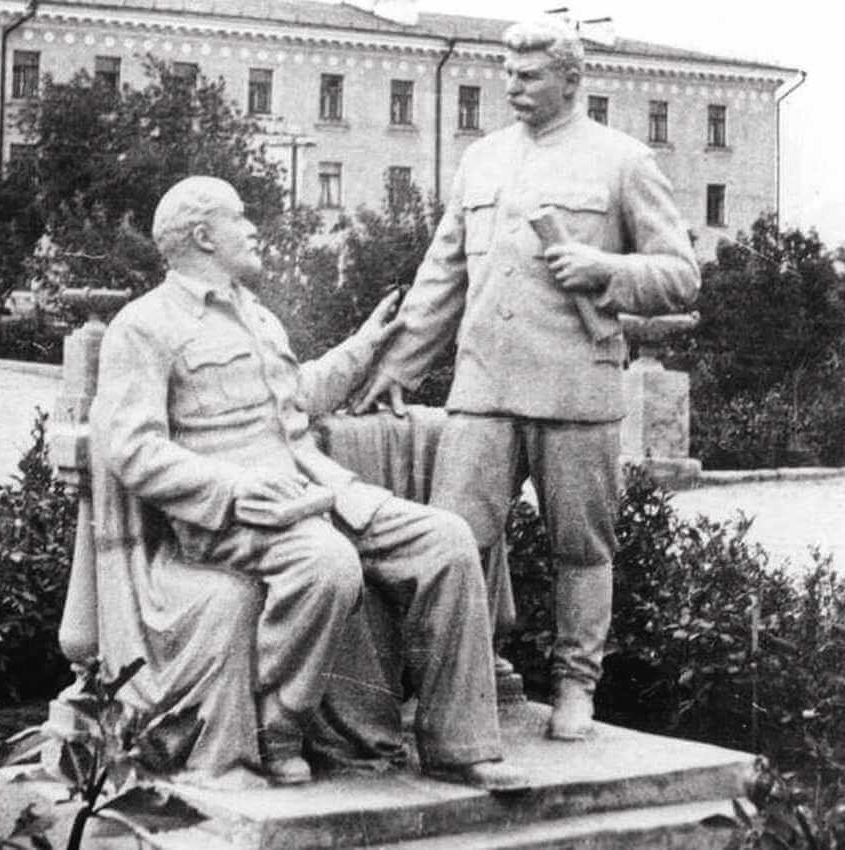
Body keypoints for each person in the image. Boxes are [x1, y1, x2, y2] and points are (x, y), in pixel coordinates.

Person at [91, 175, 523, 789]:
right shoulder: (144, 326)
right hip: (234, 516)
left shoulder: (257, 316)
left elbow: (297, 399)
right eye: (239, 219)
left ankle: (459, 744)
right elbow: (131, 450)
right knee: (328, 564)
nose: (252, 229)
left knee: (447, 541)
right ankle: (280, 724)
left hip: (321, 490)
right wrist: (235, 489)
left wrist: (364, 348)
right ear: (201, 236)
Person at [354, 18, 700, 741]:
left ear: (571, 80)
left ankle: (576, 687)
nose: (511, 85)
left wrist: (608, 270)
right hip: (481, 387)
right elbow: (441, 275)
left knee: (580, 548)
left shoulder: (621, 160)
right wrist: (397, 367)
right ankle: (456, 684)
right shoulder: (481, 160)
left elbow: (679, 275)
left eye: (528, 74)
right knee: (451, 538)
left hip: (576, 389)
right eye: (507, 72)